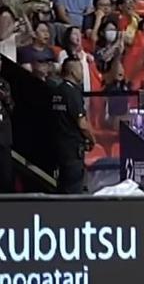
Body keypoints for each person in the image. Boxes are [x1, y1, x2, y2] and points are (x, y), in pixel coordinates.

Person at [49, 57, 93, 194]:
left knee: (62, 188)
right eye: (80, 69)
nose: (82, 72)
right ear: (73, 72)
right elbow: (82, 124)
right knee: (73, 191)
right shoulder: (73, 92)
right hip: (73, 150)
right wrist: (92, 139)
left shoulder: (56, 91)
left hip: (58, 148)